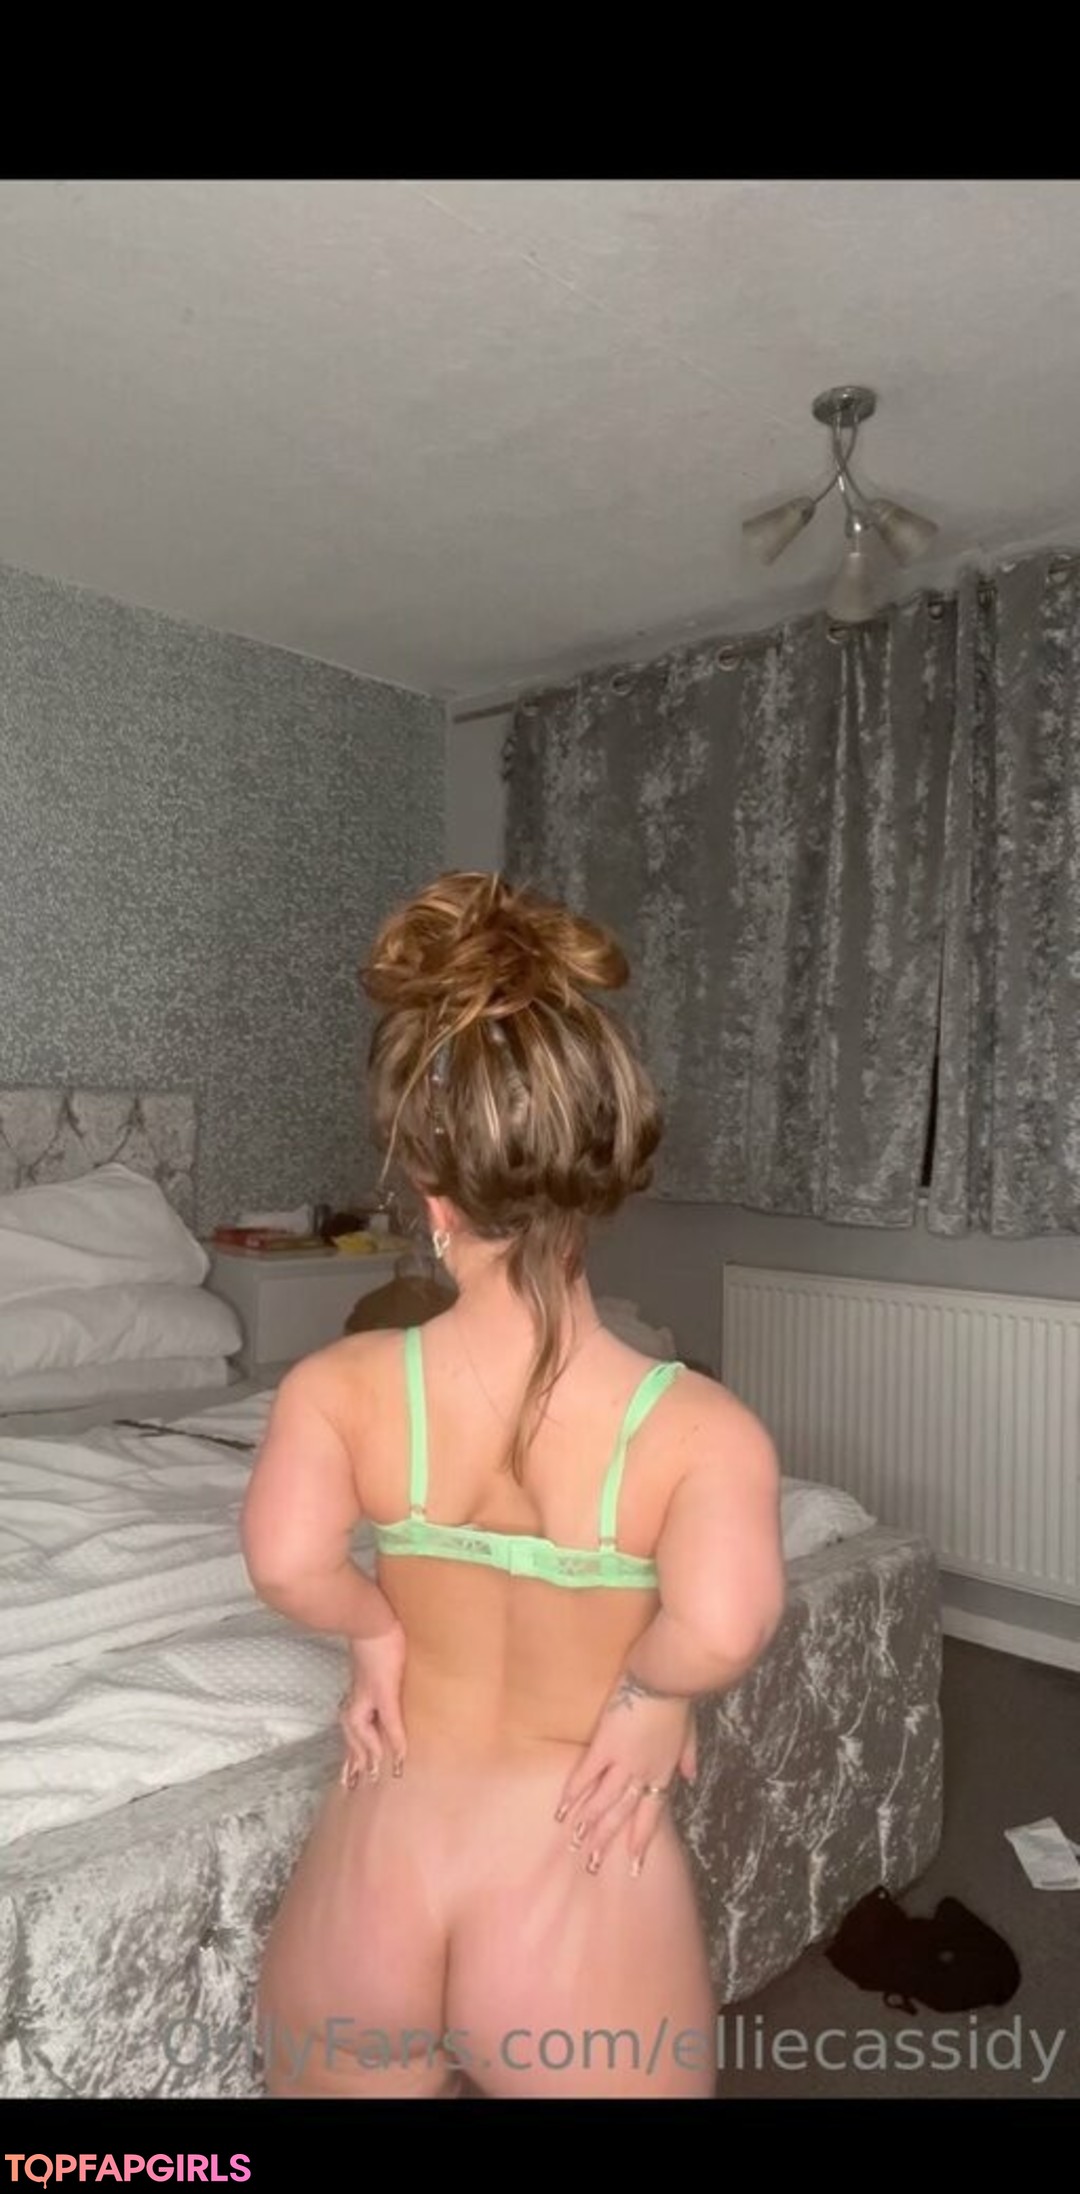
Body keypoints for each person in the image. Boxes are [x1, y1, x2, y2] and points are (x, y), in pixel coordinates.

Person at [240, 871, 785, 2101]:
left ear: (433, 1197)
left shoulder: (339, 1385)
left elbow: (285, 1560)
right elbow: (726, 1622)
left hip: (376, 1871)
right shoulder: (700, 1430)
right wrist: (651, 1690)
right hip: (575, 1887)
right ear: (604, 1177)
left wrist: (373, 1628)